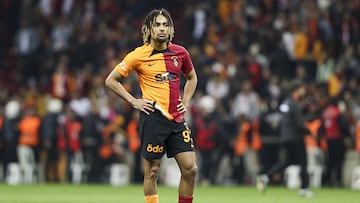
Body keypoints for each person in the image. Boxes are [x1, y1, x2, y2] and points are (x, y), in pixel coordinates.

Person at [105, 8, 198, 203]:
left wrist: (186, 101)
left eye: (166, 24)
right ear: (148, 29)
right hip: (153, 117)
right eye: (157, 25)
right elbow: (111, 80)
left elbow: (192, 78)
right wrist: (133, 101)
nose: (162, 28)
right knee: (153, 171)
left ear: (171, 29)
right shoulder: (138, 55)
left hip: (177, 119)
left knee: (190, 169)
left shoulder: (180, 53)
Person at [256, 81, 314, 197]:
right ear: (296, 90)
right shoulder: (295, 104)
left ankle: (266, 176)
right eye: (302, 90)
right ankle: (304, 189)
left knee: (287, 161)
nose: (304, 92)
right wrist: (308, 132)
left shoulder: (285, 103)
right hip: (295, 137)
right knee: (303, 162)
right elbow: (298, 124)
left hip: (285, 137)